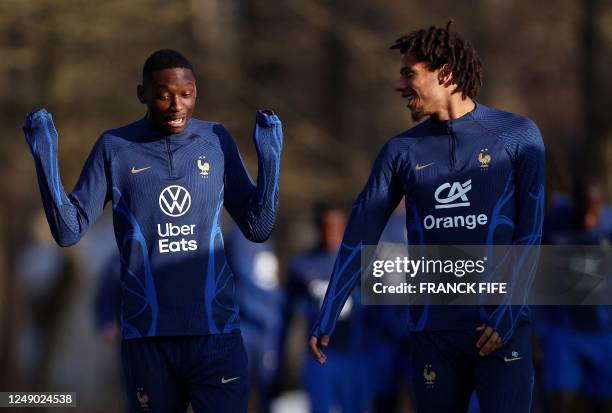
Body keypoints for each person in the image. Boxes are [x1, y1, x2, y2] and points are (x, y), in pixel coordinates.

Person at [23, 49, 283, 413]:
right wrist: (45, 154)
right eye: (164, 94)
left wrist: (270, 159)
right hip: (146, 339)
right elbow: (69, 231)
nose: (177, 105)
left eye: (186, 93)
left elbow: (258, 227)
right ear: (142, 94)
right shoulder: (114, 147)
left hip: (216, 335)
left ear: (196, 92)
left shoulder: (217, 140)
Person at [309, 22, 545, 412]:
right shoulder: (400, 152)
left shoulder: (518, 136)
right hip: (431, 337)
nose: (399, 85)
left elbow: (530, 233)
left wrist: (509, 313)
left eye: (409, 74)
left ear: (446, 73)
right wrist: (330, 309)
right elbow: (360, 230)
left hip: (501, 330)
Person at [281, 204, 370, 413]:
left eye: (335, 226)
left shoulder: (361, 261)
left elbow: (377, 309)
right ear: (318, 227)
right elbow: (289, 311)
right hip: (320, 356)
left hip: (354, 354)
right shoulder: (302, 264)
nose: (330, 231)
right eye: (325, 226)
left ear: (344, 227)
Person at [535, 175, 612, 413]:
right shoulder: (553, 222)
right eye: (583, 212)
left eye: (594, 213)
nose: (588, 221)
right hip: (563, 329)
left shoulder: (610, 224)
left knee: (603, 404)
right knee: (561, 403)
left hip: (604, 330)